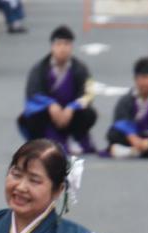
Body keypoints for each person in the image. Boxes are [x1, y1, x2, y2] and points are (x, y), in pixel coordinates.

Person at [17, 26, 97, 154]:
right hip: (48, 114)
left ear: (71, 47)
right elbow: (33, 93)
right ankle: (43, 140)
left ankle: (74, 137)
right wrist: (51, 105)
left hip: (71, 115)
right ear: (52, 47)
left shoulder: (81, 69)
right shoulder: (39, 68)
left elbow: (89, 94)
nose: (62, 48)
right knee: (29, 117)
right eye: (59, 44)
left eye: (66, 44)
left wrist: (71, 107)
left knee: (89, 114)